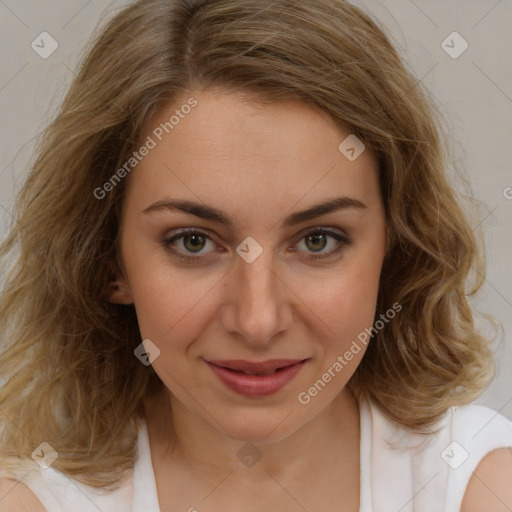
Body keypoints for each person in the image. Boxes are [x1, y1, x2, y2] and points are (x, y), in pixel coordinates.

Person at [0, 0, 511, 511]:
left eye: (318, 240)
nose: (258, 321)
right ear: (109, 261)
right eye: (193, 242)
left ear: (395, 248)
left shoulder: (479, 484)